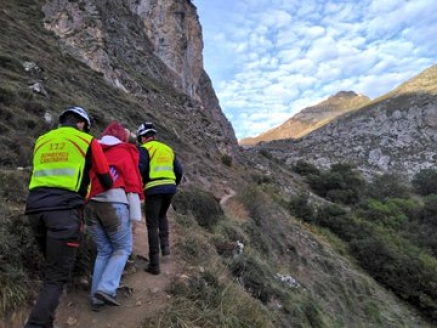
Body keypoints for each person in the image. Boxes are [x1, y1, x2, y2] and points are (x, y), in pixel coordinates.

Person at [24, 106, 113, 328]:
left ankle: (47, 321)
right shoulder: (87, 141)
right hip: (64, 212)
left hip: (35, 209)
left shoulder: (42, 140)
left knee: (51, 267)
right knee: (56, 277)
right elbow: (105, 177)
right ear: (82, 124)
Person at [85, 121, 143, 310]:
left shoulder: (93, 149)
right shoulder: (124, 151)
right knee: (123, 248)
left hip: (91, 205)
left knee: (104, 251)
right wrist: (136, 217)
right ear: (122, 138)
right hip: (115, 203)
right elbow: (132, 185)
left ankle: (96, 298)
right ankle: (106, 288)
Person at [136, 121, 183, 275]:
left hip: (153, 189)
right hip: (170, 188)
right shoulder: (168, 149)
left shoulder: (145, 149)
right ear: (154, 135)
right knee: (162, 215)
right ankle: (166, 247)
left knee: (152, 225)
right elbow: (179, 170)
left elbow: (140, 169)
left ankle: (154, 265)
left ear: (143, 138)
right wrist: (173, 184)